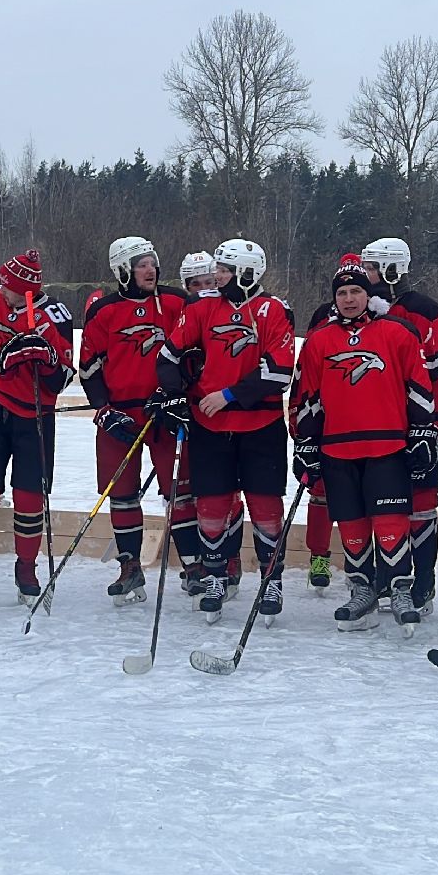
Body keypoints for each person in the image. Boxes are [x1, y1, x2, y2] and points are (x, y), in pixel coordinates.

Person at [154, 238, 295, 623]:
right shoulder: (202, 307)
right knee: (212, 504)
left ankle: (271, 580)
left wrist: (228, 395)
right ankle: (215, 576)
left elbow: (279, 371)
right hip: (210, 426)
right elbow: (167, 357)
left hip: (261, 425)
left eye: (224, 270)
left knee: (265, 505)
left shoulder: (274, 309)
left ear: (247, 273)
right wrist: (176, 395)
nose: (216, 275)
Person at [292, 262, 436, 632]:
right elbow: (308, 396)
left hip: (387, 444)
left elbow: (418, 385)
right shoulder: (319, 340)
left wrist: (423, 432)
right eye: (342, 293)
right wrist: (305, 442)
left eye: (356, 291)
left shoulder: (398, 332)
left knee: (390, 521)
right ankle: (361, 590)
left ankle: (399, 588)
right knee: (352, 523)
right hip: (337, 448)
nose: (349, 298)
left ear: (368, 295)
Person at [79, 236, 193, 606]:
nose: (150, 269)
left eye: (152, 262)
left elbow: (193, 352)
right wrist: (103, 410)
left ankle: (193, 565)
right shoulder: (104, 311)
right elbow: (89, 368)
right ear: (123, 270)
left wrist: (178, 392)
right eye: (141, 263)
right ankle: (130, 565)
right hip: (121, 414)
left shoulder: (176, 302)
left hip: (165, 410)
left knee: (179, 490)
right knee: (122, 492)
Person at [0, 249, 73, 607]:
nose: (3, 292)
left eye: (10, 287)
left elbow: (64, 377)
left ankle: (26, 567)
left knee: (29, 497)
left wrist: (48, 358)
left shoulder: (55, 316)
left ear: (28, 290)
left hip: (36, 413)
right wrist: (5, 358)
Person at [361, 237, 438, 618]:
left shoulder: (423, 310)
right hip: (377, 425)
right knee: (383, 505)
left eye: (371, 268)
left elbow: (432, 371)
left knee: (422, 507)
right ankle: (388, 577)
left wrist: (430, 426)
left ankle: (423, 581)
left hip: (417, 424)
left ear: (392, 270)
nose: (365, 275)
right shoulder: (363, 307)